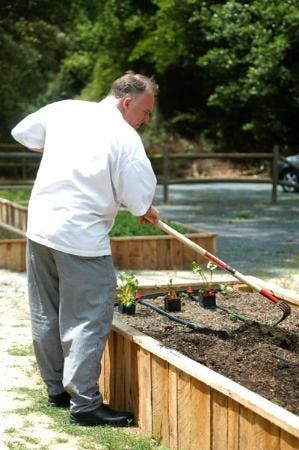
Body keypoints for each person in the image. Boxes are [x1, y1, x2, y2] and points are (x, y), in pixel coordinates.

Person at [11, 72, 160, 426]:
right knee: (88, 319)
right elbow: (138, 196)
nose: (146, 120)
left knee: (47, 311)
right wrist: (145, 210)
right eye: (146, 112)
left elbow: (22, 133)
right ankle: (86, 403)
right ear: (127, 103)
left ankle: (56, 390)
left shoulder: (65, 110)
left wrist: (63, 149)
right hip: (81, 238)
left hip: (41, 228)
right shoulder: (124, 136)